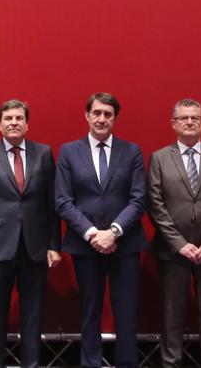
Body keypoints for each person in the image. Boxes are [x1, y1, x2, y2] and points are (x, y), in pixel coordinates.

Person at [54, 92, 148, 368]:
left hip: (125, 244)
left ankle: (127, 363)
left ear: (115, 118)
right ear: (87, 115)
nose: (102, 119)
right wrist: (94, 234)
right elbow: (63, 201)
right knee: (90, 310)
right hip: (86, 245)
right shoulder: (69, 152)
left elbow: (138, 199)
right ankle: (90, 363)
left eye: (108, 114)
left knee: (126, 311)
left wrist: (114, 232)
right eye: (97, 113)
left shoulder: (131, 152)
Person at [0, 99, 61, 368]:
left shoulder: (44, 153)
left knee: (32, 315)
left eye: (19, 118)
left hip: (35, 247)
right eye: (8, 118)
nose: (13, 122)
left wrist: (54, 244)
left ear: (27, 123)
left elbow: (51, 203)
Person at [147, 99, 201, 368]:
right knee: (172, 317)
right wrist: (179, 244)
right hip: (173, 252)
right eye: (183, 118)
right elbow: (155, 203)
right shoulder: (160, 158)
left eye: (195, 117)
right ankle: (171, 363)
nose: (189, 122)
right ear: (173, 123)